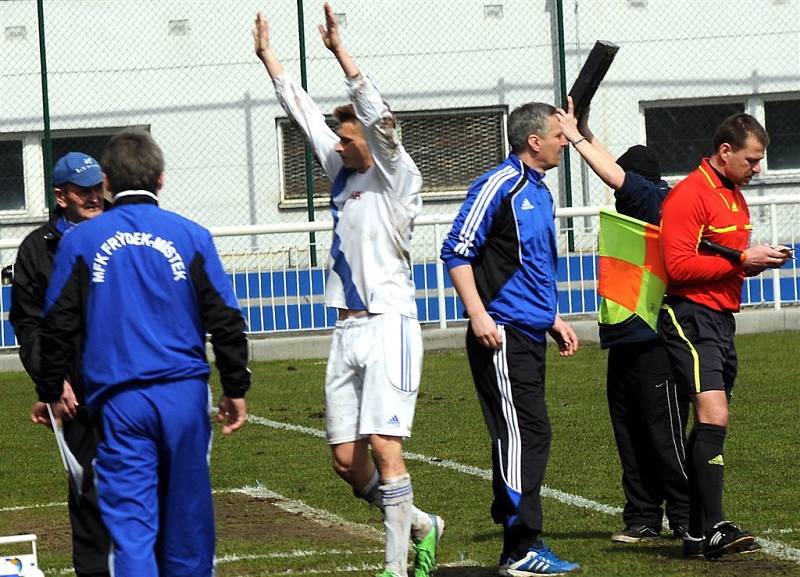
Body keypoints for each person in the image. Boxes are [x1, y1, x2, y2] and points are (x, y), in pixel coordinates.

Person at [253, 6, 442, 577]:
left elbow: (378, 115)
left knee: (386, 449)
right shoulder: (340, 172)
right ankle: (421, 524)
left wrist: (341, 52)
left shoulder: (397, 174)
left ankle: (395, 567)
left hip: (390, 323)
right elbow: (302, 111)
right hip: (347, 327)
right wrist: (268, 59)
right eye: (338, 133)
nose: (338, 139)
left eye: (348, 131)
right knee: (345, 461)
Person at [34, 130, 250, 577]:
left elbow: (56, 323)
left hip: (121, 401)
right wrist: (235, 387)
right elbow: (225, 318)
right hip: (185, 397)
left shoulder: (82, 241)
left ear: (107, 181)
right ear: (162, 178)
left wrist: (53, 386)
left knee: (131, 529)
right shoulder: (192, 236)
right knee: (188, 523)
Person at [441, 101, 580, 576]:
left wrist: (551, 319)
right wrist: (478, 315)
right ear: (534, 141)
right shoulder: (500, 184)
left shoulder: (540, 192)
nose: (566, 142)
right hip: (499, 332)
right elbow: (456, 251)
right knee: (525, 433)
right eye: (559, 135)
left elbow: (529, 266)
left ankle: (518, 544)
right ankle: (521, 548)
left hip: (528, 329)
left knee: (525, 433)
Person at [556, 100, 690, 543]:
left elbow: (615, 175)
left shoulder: (655, 201)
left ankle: (688, 516)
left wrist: (575, 138)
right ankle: (643, 518)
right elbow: (616, 169)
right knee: (630, 436)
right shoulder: (646, 198)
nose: (618, 192)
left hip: (656, 339)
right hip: (625, 338)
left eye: (625, 183)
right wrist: (587, 129)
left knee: (663, 435)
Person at [658, 113, 788, 559]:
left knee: (712, 420)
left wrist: (756, 260)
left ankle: (695, 530)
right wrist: (740, 262)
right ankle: (712, 528)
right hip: (688, 316)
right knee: (713, 414)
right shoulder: (689, 194)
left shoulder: (735, 196)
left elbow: (726, 257)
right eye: (752, 160)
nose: (757, 169)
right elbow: (677, 267)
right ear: (726, 151)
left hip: (720, 319)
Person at [10, 152, 111, 577]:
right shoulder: (37, 248)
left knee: (143, 487)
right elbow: (28, 324)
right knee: (86, 493)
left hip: (127, 385)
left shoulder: (118, 231)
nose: (93, 197)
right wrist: (53, 383)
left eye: (97, 188)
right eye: (83, 190)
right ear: (60, 195)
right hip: (73, 394)